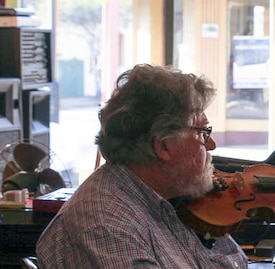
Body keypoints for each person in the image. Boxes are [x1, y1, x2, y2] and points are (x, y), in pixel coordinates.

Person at [36, 64, 248, 268]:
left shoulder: (165, 200)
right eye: (202, 133)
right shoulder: (106, 226)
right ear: (164, 145)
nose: (211, 145)